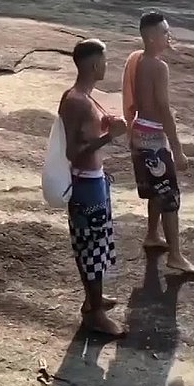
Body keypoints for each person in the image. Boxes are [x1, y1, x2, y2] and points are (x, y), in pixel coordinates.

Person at [59, 38, 128, 336]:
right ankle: (94, 312)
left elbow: (86, 133)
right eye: (104, 60)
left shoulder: (85, 97)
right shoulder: (77, 100)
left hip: (93, 179)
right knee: (91, 246)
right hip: (84, 182)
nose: (106, 65)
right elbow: (73, 151)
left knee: (97, 244)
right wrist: (109, 137)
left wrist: (106, 124)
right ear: (94, 64)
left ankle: (93, 301)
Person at [122, 12, 194, 274]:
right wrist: (177, 149)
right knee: (169, 195)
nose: (169, 36)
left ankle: (152, 234)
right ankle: (175, 255)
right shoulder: (158, 67)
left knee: (155, 188)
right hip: (153, 136)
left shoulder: (138, 60)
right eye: (165, 32)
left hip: (140, 130)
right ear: (152, 37)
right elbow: (164, 108)